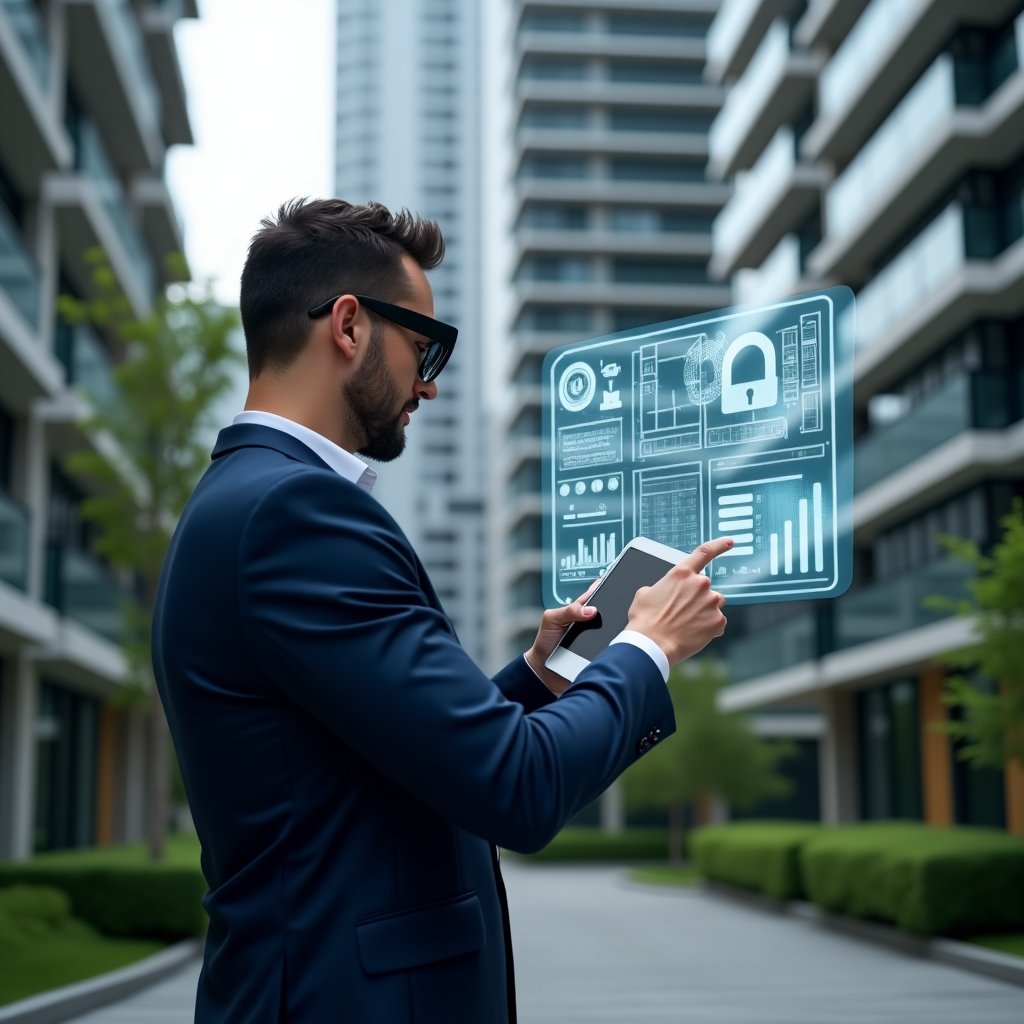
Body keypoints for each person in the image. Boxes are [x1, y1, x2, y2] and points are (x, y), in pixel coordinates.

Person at [152, 197, 731, 1024]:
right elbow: (517, 789)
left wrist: (534, 679)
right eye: (424, 346)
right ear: (348, 326)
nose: (427, 382)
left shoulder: (249, 501)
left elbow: (388, 759)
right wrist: (648, 647)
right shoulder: (298, 516)